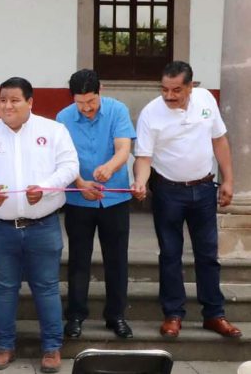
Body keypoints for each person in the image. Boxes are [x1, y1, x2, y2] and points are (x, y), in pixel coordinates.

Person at [0, 77, 78, 373]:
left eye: (14, 100)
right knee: (4, 288)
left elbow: (69, 167)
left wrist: (47, 187)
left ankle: (52, 348)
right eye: (3, 99)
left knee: (47, 288)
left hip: (43, 226)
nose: (7, 105)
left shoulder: (54, 131)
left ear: (30, 102)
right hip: (0, 228)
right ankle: (4, 346)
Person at [132, 61, 241, 339]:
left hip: (204, 189)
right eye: (165, 89)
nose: (169, 95)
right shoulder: (150, 114)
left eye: (177, 90)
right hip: (168, 192)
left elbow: (220, 140)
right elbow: (144, 157)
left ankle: (214, 314)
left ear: (191, 86)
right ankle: (173, 315)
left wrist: (228, 180)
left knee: (208, 255)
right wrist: (140, 182)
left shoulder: (206, 100)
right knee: (170, 254)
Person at [56, 69, 136, 339]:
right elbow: (62, 158)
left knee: (117, 259)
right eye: (81, 103)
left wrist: (110, 168)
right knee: (79, 260)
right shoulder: (63, 118)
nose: (87, 108)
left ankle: (116, 316)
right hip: (79, 198)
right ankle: (76, 316)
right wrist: (79, 182)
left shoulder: (117, 110)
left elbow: (124, 148)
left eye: (91, 101)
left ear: (100, 90)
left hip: (114, 197)